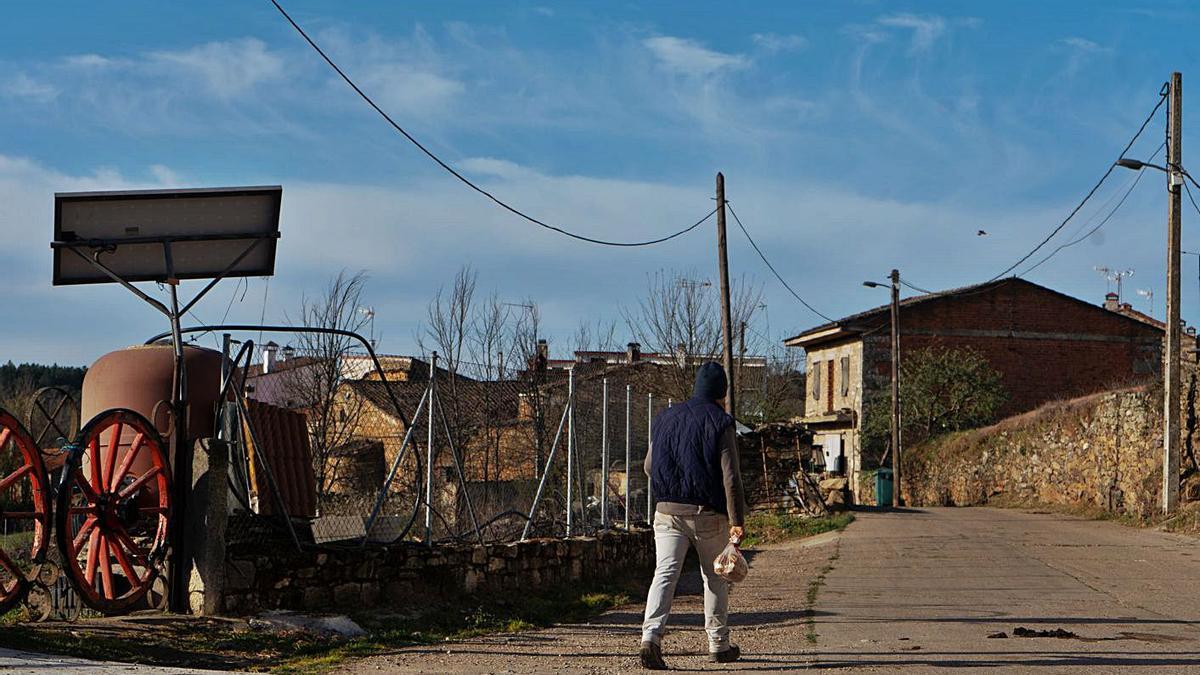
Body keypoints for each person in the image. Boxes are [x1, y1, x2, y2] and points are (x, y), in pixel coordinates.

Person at [639, 362, 746, 670]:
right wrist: (736, 522)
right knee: (715, 576)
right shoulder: (721, 422)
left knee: (665, 573)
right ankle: (718, 644)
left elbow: (648, 467)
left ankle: (651, 638)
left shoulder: (666, 417)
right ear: (721, 395)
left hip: (666, 513)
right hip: (706, 516)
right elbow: (731, 479)